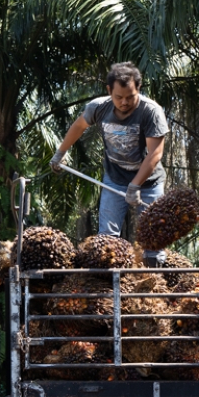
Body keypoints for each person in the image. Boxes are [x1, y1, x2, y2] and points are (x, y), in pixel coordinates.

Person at [50, 62, 169, 266]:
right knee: (107, 240)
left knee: (154, 240)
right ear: (109, 91)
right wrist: (60, 153)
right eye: (119, 97)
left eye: (130, 97)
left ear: (138, 88)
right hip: (115, 180)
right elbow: (78, 126)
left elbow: (155, 154)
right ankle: (110, 291)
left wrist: (136, 185)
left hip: (149, 183)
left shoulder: (151, 112)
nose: (124, 102)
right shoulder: (99, 107)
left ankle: (155, 285)